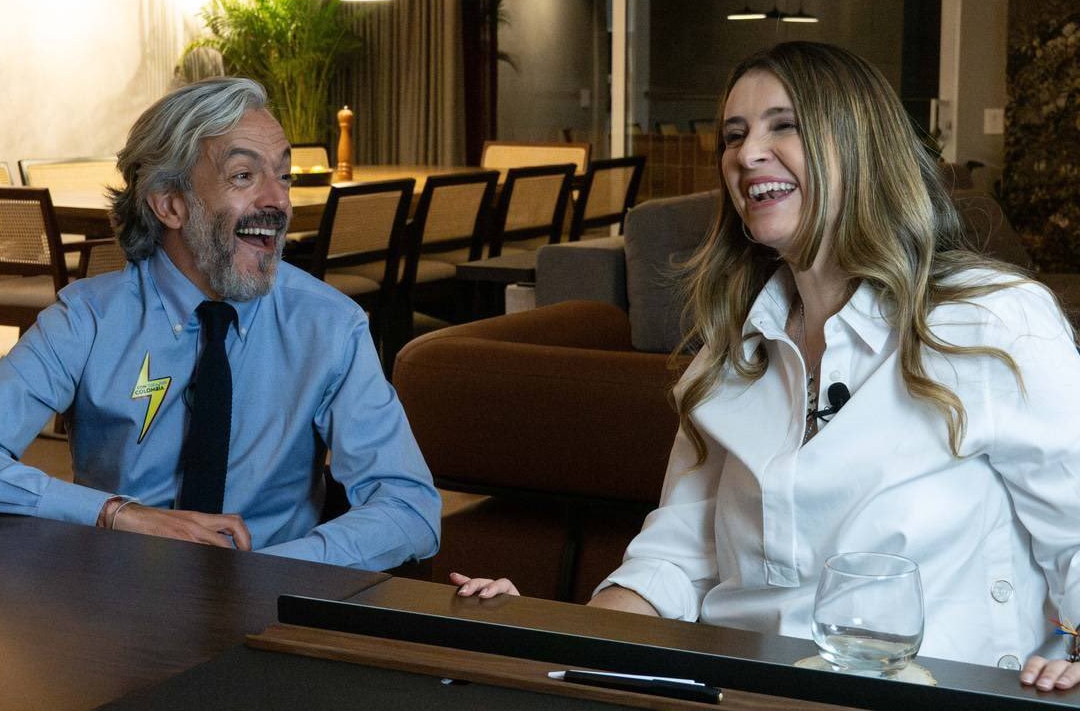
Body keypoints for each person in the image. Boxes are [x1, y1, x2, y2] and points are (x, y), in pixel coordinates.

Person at [451, 41, 1080, 690]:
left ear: (861, 146)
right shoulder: (730, 354)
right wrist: (550, 634)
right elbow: (676, 558)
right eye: (733, 135)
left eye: (784, 125)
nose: (746, 153)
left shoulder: (990, 321)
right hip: (739, 690)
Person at [0, 77, 441, 572]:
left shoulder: (331, 326)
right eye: (244, 176)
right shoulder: (88, 319)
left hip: (272, 602)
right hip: (118, 600)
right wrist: (115, 513)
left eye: (283, 175)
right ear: (170, 204)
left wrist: (271, 572)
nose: (278, 201)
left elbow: (410, 508)